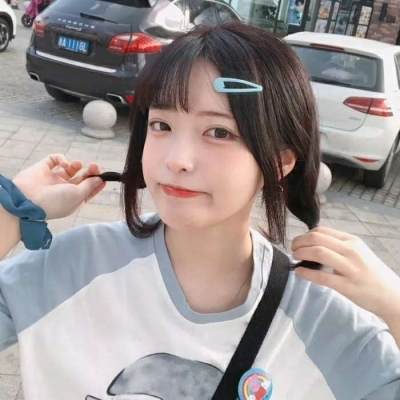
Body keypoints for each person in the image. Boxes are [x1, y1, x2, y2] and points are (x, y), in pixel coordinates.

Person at [0, 22, 399, 400]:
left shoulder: (323, 322)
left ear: (279, 161)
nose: (177, 159)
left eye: (219, 132)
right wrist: (15, 211)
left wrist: (394, 305)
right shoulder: (75, 267)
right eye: (161, 125)